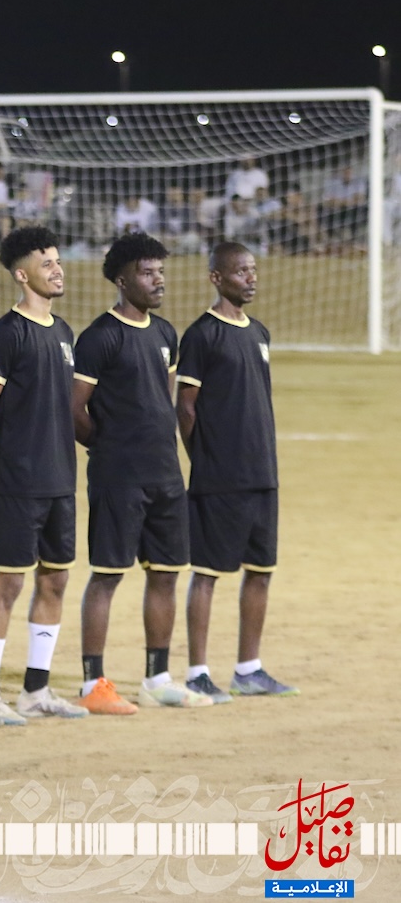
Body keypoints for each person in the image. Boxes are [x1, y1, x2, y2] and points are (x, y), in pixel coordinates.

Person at [71, 233, 210, 714]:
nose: (158, 281)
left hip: (165, 474)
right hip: (118, 477)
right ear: (122, 279)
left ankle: (157, 679)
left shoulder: (166, 334)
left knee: (166, 574)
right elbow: (74, 409)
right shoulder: (99, 337)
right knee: (107, 576)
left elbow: (163, 400)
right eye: (147, 273)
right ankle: (93, 684)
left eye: (160, 272)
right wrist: (107, 446)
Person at [0, 227, 88, 722]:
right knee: (8, 585)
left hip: (61, 479)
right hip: (20, 481)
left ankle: (36, 691)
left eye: (58, 262)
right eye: (47, 264)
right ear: (22, 275)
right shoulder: (7, 332)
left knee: (55, 580)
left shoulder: (63, 332)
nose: (57, 270)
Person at [176, 243, 296, 700]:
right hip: (219, 477)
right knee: (207, 573)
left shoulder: (260, 332)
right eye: (241, 271)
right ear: (217, 277)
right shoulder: (201, 335)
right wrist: (205, 460)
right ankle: (198, 673)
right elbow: (186, 408)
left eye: (253, 270)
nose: (251, 278)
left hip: (263, 474)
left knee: (261, 570)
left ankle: (249, 669)